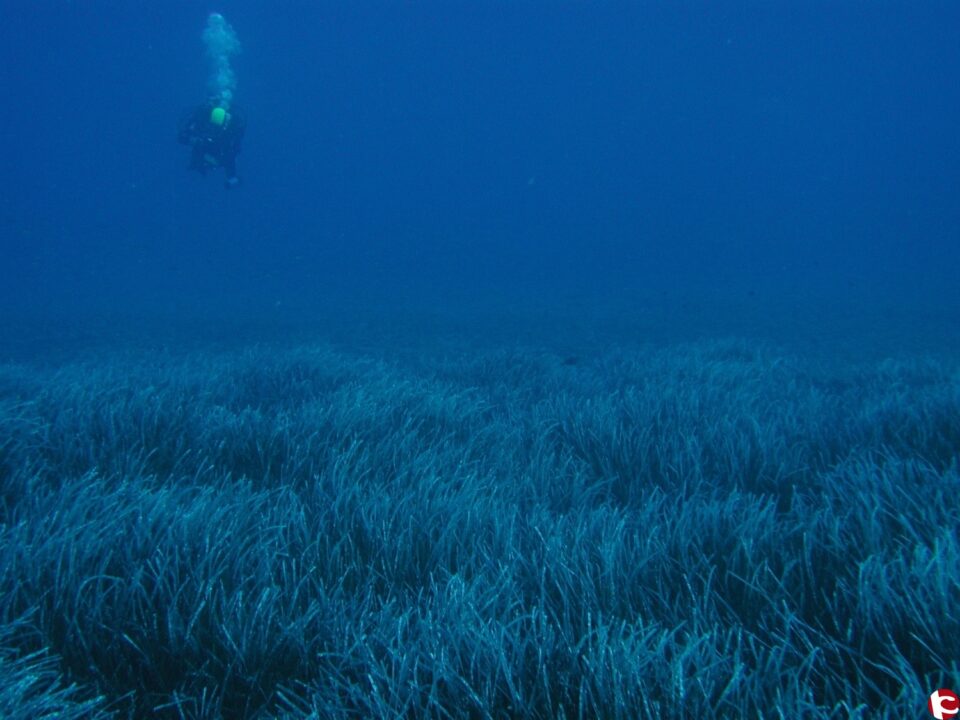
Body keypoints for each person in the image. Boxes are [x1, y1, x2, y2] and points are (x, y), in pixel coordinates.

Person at [178, 100, 246, 187]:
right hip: (199, 158)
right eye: (212, 127)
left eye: (216, 128)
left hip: (215, 156)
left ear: (224, 126)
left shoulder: (229, 137)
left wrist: (232, 181)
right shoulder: (202, 121)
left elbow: (230, 164)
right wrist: (193, 140)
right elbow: (181, 137)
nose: (213, 131)